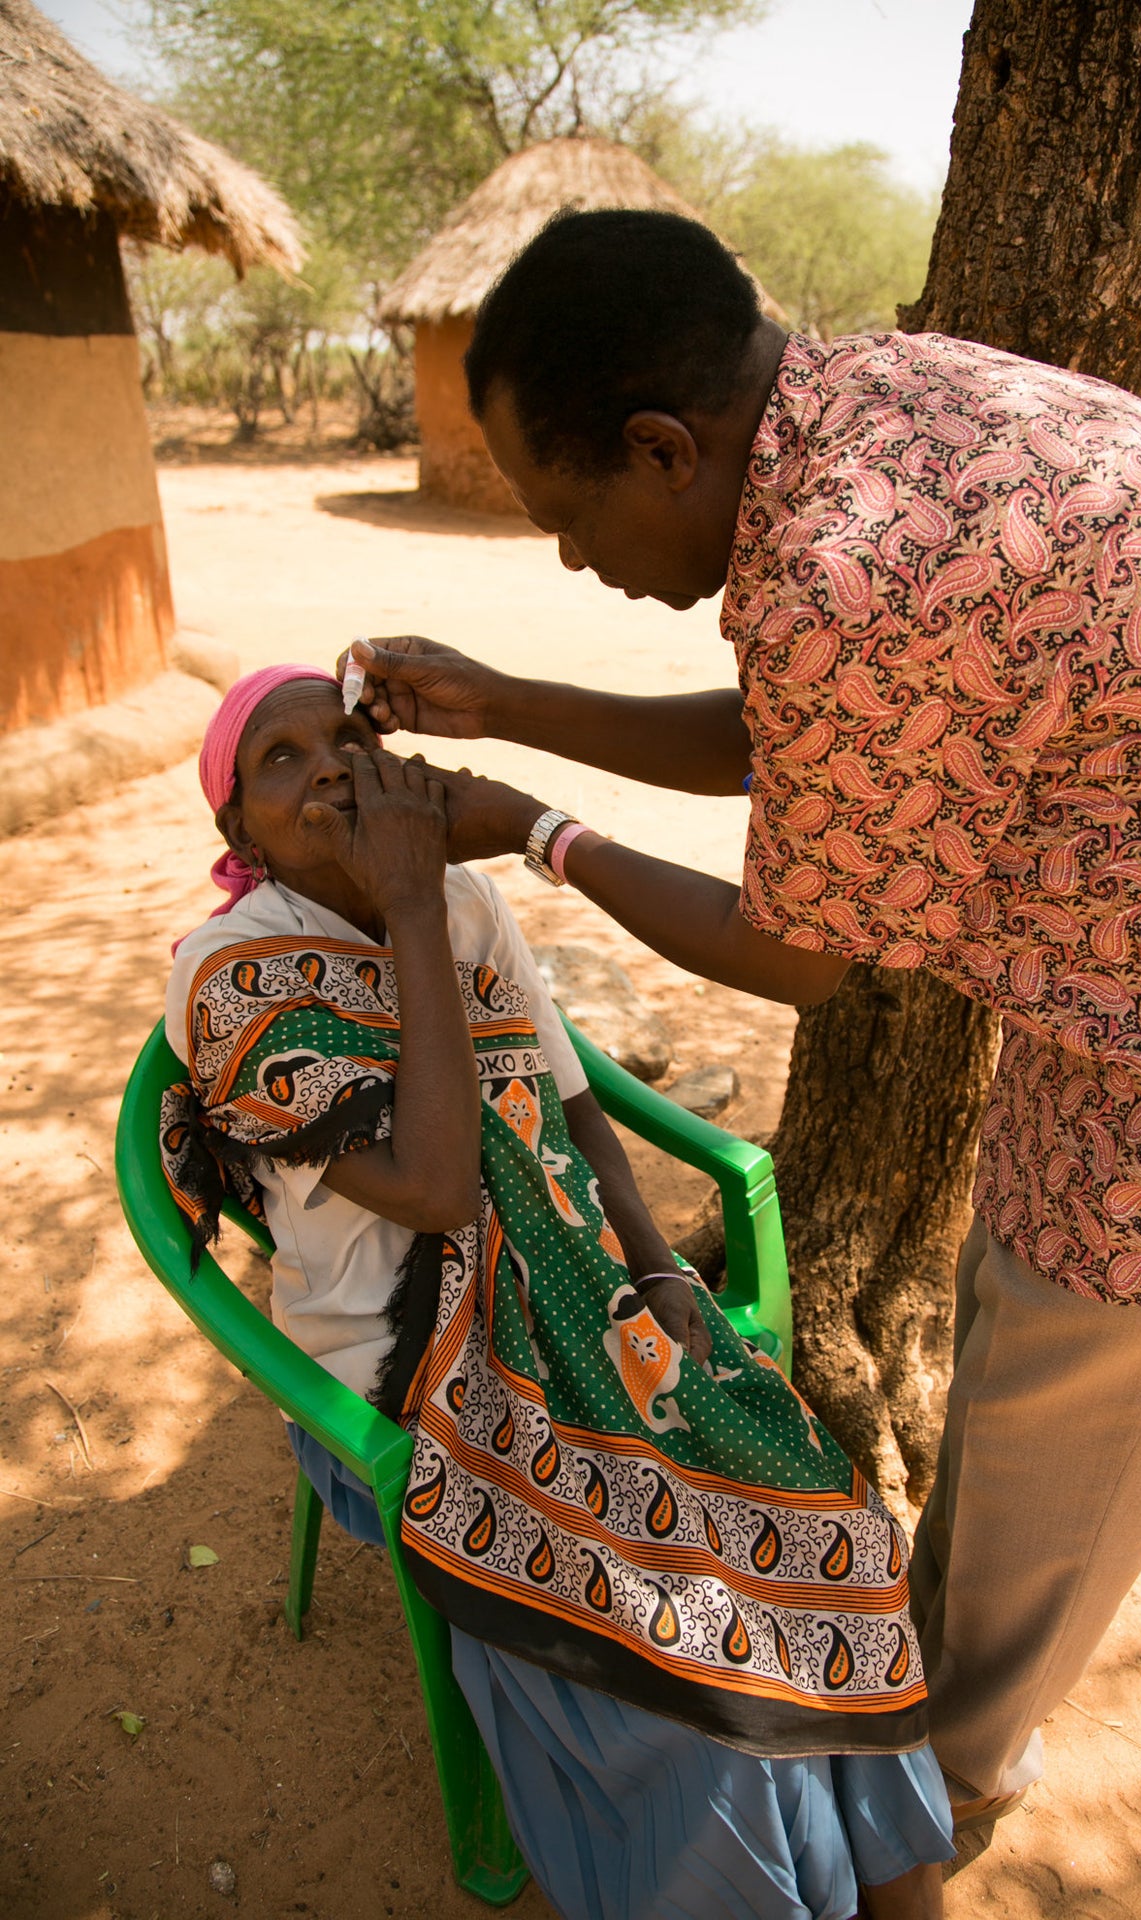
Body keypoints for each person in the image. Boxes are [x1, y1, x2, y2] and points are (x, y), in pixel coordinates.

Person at [340, 207, 1141, 1832]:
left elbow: (796, 956)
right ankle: (933, 1705)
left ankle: (941, 1799)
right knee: (1014, 1415)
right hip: (1126, 1009)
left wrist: (530, 824)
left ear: (659, 448)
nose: (573, 562)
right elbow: (816, 729)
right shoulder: (879, 408)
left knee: (1060, 1485)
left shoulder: (849, 562)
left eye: (566, 521)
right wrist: (501, 699)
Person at [162, 663, 953, 1920]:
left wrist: (650, 1269)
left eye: (345, 738)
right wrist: (412, 905)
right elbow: (431, 1185)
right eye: (279, 759)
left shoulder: (465, 900)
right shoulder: (228, 976)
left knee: (839, 1540)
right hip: (413, 1386)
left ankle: (900, 1889)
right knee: (691, 1687)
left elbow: (572, 1109)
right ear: (238, 832)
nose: (325, 766)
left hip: (581, 1301)